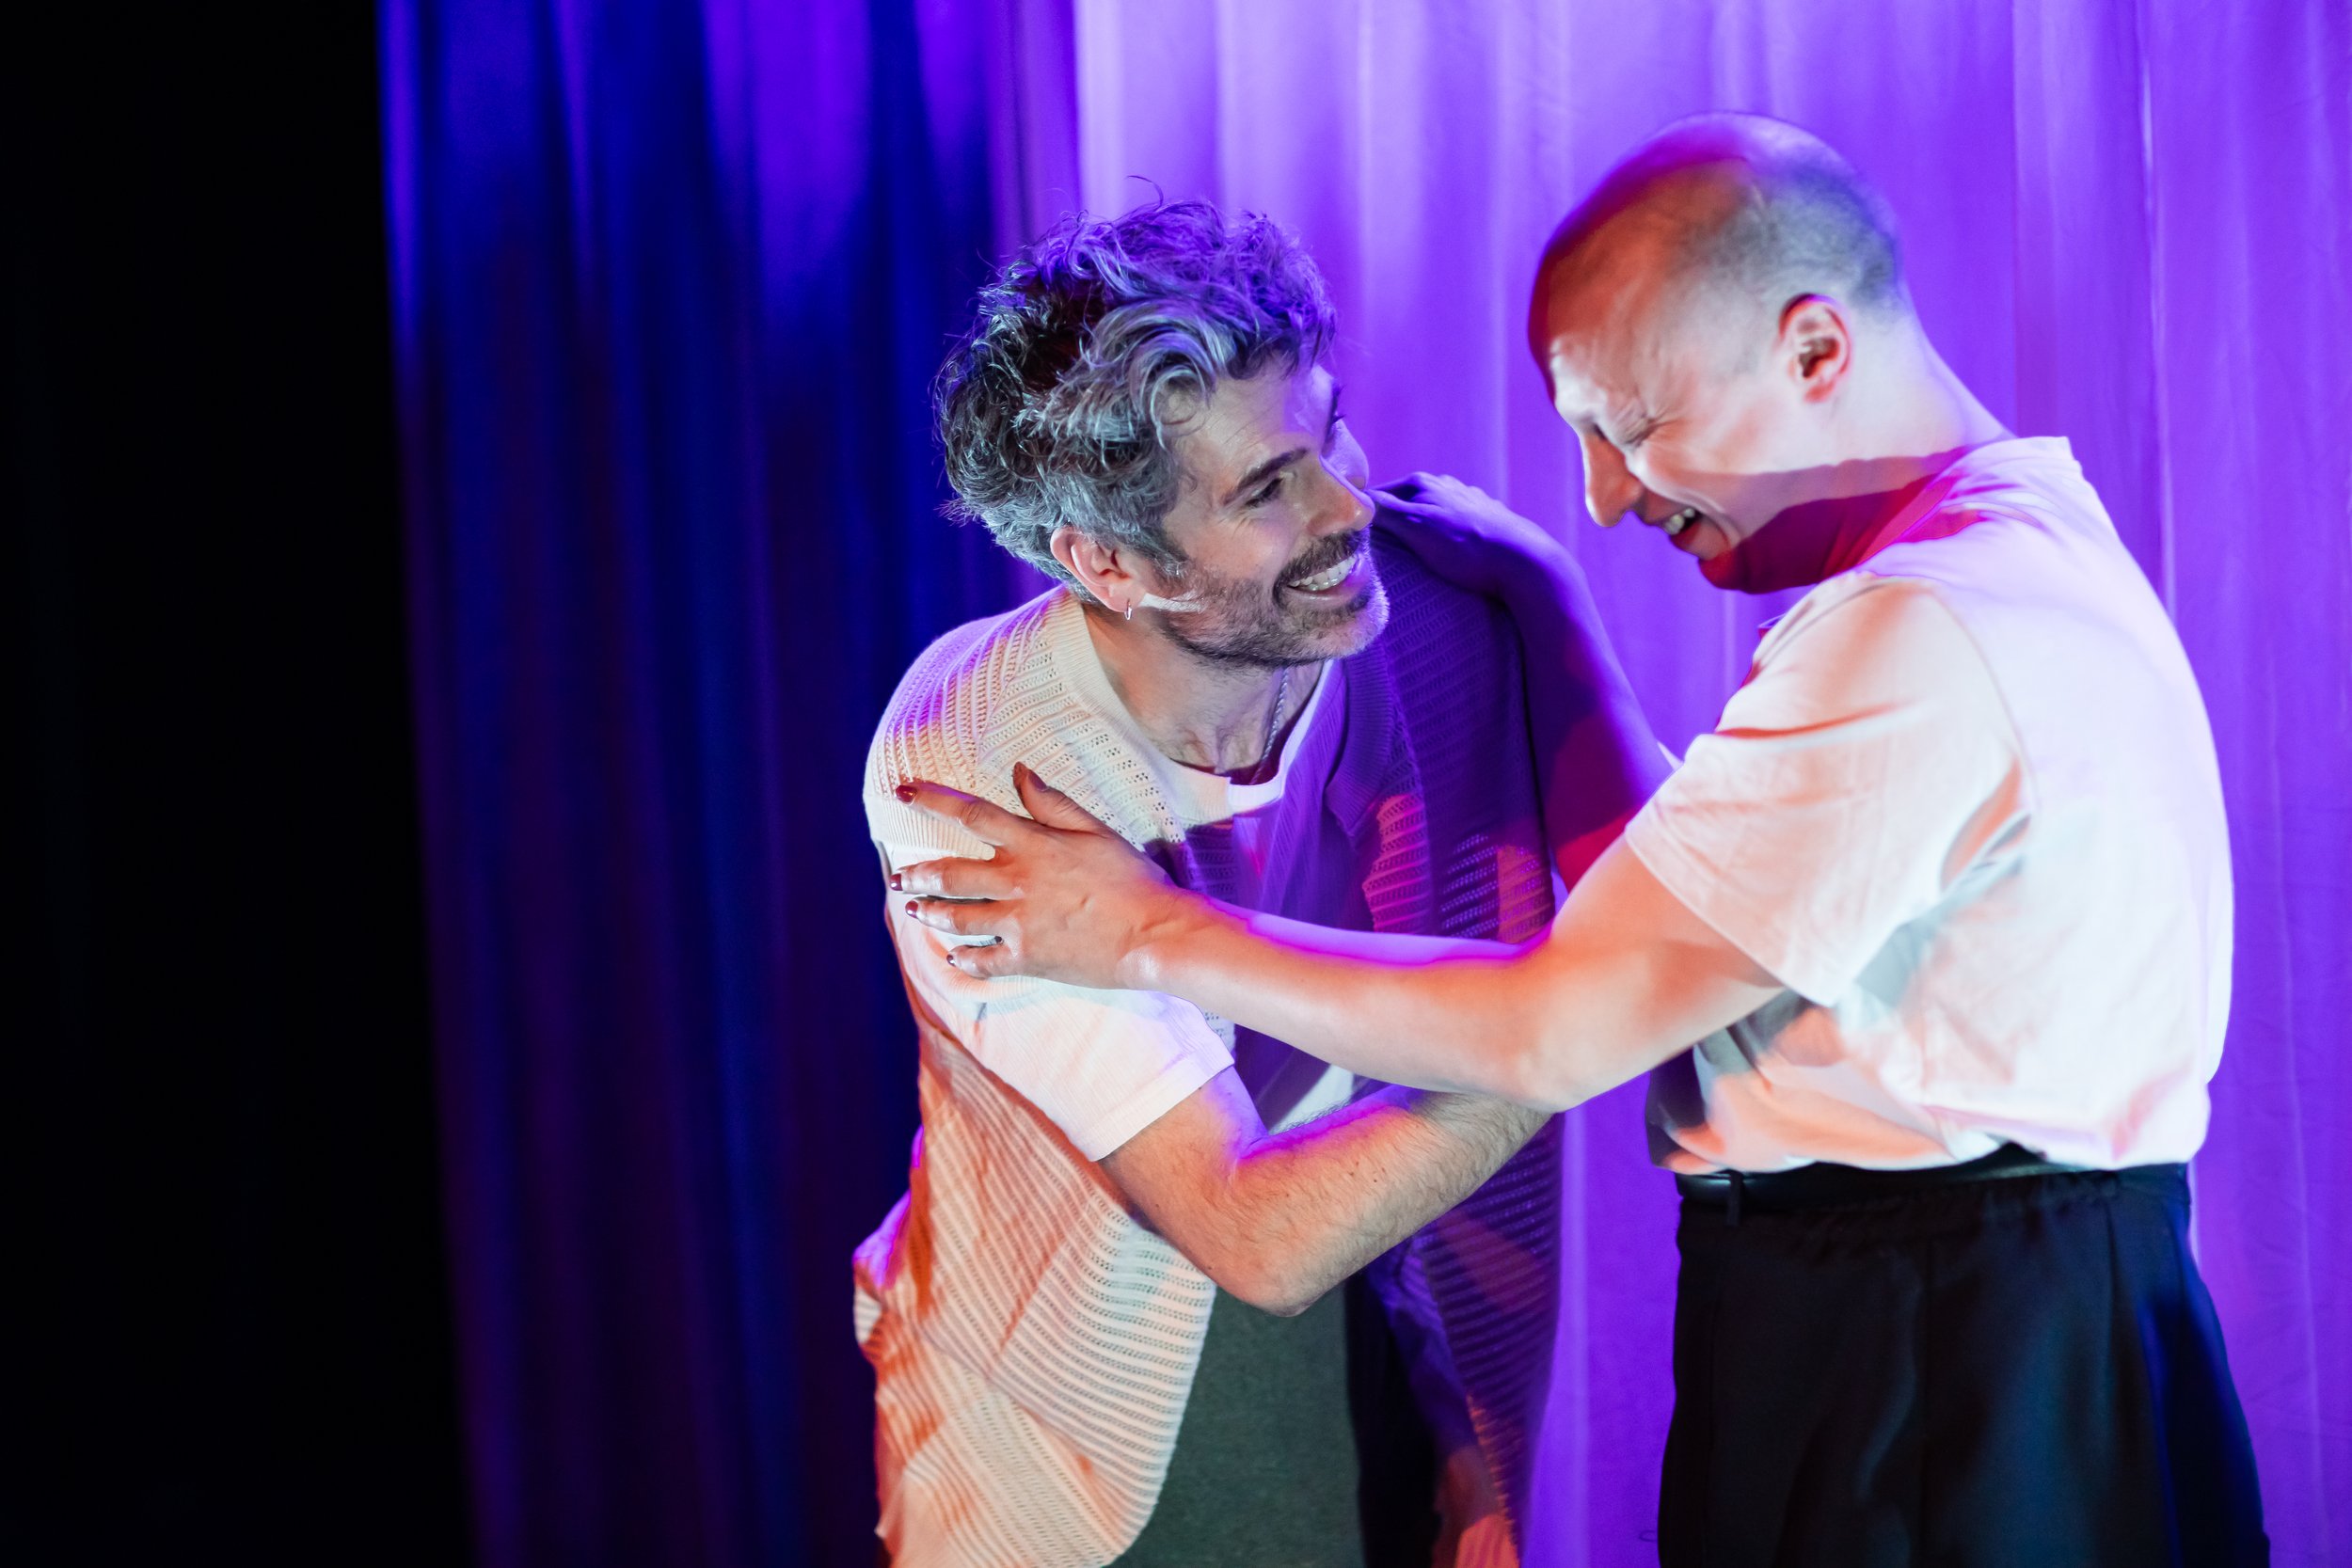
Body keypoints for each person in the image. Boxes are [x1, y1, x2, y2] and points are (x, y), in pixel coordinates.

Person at [894, 116, 2268, 1565]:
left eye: (1634, 429)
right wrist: (1554, 624)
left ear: (1813, 354)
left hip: (1944, 1346)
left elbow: (1576, 1017)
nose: (1610, 495)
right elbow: (1697, 908)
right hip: (1939, 1317)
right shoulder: (2007, 555)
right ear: (1104, 563)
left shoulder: (1920, 630)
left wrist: (1146, 930)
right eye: (1264, 486)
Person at [857, 199, 1663, 1567]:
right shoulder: (979, 773)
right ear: (1108, 565)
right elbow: (1257, 1229)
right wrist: (1572, 1030)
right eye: (1264, 488)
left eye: (1329, 430)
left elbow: (1672, 902)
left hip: (1386, 1332)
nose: (1348, 503)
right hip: (1083, 1429)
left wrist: (1554, 606)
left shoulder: (1439, 618)